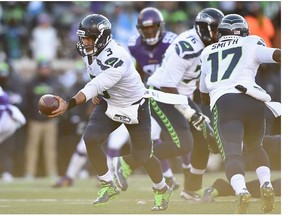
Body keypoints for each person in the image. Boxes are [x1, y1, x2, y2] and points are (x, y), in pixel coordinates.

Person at [46, 14, 172, 211]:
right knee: (90, 138)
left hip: (134, 106)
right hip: (109, 102)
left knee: (143, 156)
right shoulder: (90, 51)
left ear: (102, 37)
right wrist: (103, 93)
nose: (84, 42)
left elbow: (95, 84)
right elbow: (98, 81)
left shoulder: (118, 56)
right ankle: (107, 184)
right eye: (83, 37)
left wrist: (69, 103)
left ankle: (162, 188)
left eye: (89, 38)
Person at [115, 7, 224, 202]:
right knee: (183, 144)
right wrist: (191, 113)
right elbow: (167, 85)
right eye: (216, 30)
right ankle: (126, 162)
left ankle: (192, 189)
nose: (219, 35)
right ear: (205, 29)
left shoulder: (208, 45)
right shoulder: (188, 47)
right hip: (161, 95)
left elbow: (198, 79)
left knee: (204, 139)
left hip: (181, 95)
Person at [199, 14, 281, 213]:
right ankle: (266, 185)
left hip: (225, 102)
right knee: (256, 147)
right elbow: (277, 54)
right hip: (253, 100)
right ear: (244, 31)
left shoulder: (208, 51)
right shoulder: (251, 42)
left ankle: (242, 190)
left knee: (232, 152)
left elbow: (203, 94)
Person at [125, 6, 181, 190]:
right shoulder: (134, 45)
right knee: (152, 136)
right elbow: (138, 69)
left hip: (175, 93)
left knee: (184, 137)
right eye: (145, 28)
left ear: (160, 26)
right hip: (153, 97)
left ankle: (187, 172)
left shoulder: (172, 42)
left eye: (152, 27)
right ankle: (169, 176)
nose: (149, 31)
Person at [24, 59, 60, 180]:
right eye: (42, 68)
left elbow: (60, 100)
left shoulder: (55, 83)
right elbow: (27, 102)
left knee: (50, 149)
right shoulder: (31, 83)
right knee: (32, 148)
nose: (44, 70)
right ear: (38, 69)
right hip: (35, 121)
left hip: (50, 121)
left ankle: (52, 172)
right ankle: (29, 173)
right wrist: (30, 116)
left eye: (46, 68)